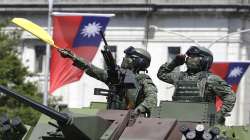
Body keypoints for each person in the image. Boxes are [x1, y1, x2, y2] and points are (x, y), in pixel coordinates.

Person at [58, 46, 157, 116]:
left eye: (127, 57)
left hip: (132, 122)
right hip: (111, 117)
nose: (124, 59)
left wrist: (138, 110)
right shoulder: (117, 76)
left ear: (135, 61)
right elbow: (92, 69)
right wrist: (73, 57)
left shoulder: (143, 79)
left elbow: (152, 98)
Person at [157, 46, 236, 124]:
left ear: (205, 60)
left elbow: (230, 96)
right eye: (189, 56)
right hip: (177, 118)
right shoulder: (179, 76)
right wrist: (174, 63)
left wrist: (220, 114)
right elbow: (161, 74)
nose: (189, 59)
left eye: (194, 57)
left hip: (203, 121)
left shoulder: (211, 79)